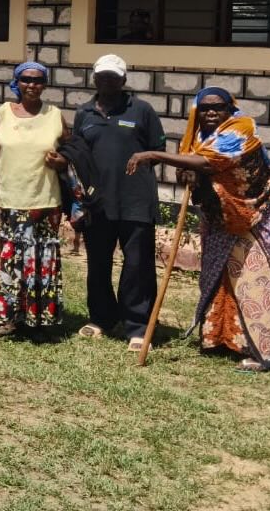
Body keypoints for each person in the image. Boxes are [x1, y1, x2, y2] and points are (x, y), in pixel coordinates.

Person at [128, 88, 270, 371]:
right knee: (223, 275)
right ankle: (224, 339)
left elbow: (208, 161)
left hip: (261, 213)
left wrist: (154, 154)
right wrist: (188, 174)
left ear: (230, 109)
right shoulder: (197, 137)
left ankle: (269, 349)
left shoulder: (242, 129)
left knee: (254, 277)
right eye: (205, 108)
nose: (211, 113)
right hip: (224, 215)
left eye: (219, 107)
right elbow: (193, 165)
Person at [72, 54, 165, 351]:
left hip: (136, 202)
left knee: (137, 265)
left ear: (124, 80)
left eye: (114, 77)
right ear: (94, 79)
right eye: (102, 76)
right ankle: (101, 318)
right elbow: (77, 155)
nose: (107, 81)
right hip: (97, 202)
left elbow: (157, 150)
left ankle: (137, 326)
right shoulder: (84, 113)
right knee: (98, 263)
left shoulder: (142, 110)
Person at [0, 61, 68, 338]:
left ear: (45, 84)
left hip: (46, 201)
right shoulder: (3, 114)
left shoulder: (55, 114)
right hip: (10, 200)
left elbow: (72, 152)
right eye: (26, 80)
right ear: (17, 83)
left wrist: (62, 161)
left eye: (37, 80)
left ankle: (42, 320)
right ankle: (9, 318)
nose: (32, 85)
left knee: (42, 262)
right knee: (12, 262)